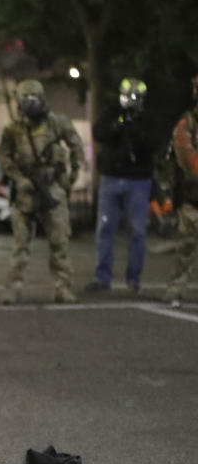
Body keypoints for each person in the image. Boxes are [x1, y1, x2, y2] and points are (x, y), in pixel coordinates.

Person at [0, 80, 86, 305]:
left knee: (59, 243)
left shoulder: (57, 124)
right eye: (24, 99)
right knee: (20, 246)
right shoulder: (13, 130)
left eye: (33, 99)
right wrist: (19, 178)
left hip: (52, 190)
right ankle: (13, 288)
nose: (29, 104)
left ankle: (62, 287)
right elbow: (4, 157)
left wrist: (71, 178)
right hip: (26, 192)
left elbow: (77, 147)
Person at [85, 78, 157, 295]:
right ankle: (102, 278)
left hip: (138, 180)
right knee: (105, 229)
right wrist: (118, 125)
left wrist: (136, 133)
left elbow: (154, 144)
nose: (131, 100)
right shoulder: (113, 112)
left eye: (136, 97)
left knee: (137, 231)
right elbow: (98, 132)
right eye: (128, 96)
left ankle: (134, 279)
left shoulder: (146, 119)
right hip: (111, 177)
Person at [159, 74, 198, 307]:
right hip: (193, 198)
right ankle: (176, 288)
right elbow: (190, 163)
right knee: (186, 247)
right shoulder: (186, 125)